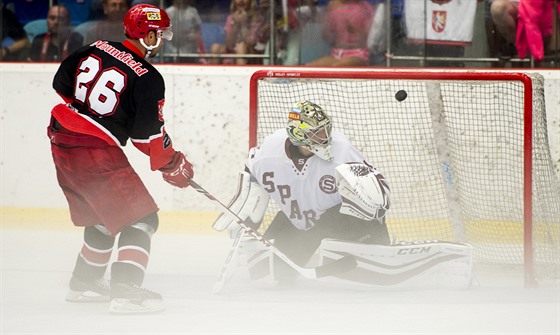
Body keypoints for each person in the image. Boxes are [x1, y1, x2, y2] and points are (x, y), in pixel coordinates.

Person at [48, 3, 194, 314]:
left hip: (61, 139)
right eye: (159, 33)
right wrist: (173, 162)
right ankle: (126, 292)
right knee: (141, 219)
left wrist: (95, 114)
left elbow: (61, 85)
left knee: (103, 217)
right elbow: (147, 138)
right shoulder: (148, 77)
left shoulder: (95, 47)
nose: (163, 39)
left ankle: (83, 284)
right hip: (94, 151)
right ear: (147, 35)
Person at [213, 101, 391, 285]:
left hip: (338, 219)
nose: (325, 137)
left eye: (326, 130)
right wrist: (247, 218)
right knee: (266, 270)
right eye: (317, 133)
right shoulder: (268, 153)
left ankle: (375, 243)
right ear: (299, 135)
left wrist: (374, 214)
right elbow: (252, 182)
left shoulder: (342, 150)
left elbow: (374, 190)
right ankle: (304, 254)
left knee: (331, 231)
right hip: (299, 222)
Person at [306, 0, 374, 66]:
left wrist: (356, 30)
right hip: (336, 53)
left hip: (359, 54)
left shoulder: (365, 7)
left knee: (337, 66)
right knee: (309, 67)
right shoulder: (334, 7)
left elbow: (371, 37)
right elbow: (326, 35)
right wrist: (329, 14)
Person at [209, 0, 262, 64]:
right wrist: (236, 24)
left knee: (241, 47)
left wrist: (243, 24)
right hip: (234, 49)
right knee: (215, 47)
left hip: (252, 52)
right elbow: (228, 44)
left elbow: (251, 43)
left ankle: (240, 73)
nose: (241, 1)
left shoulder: (257, 18)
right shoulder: (231, 18)